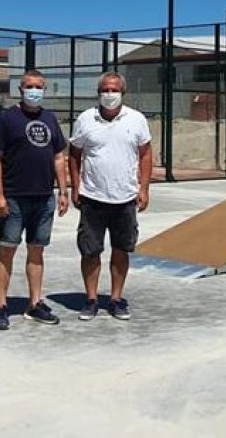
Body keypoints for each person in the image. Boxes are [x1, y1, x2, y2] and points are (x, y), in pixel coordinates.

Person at [0, 69, 70, 330]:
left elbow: (59, 157)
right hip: (14, 198)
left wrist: (63, 191)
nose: (35, 90)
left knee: (37, 251)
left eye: (39, 86)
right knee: (7, 249)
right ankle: (1, 305)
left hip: (44, 198)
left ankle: (35, 303)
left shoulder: (49, 118)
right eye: (29, 86)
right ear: (20, 90)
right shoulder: (8, 118)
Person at [68, 72, 152, 321]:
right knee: (90, 251)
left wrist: (144, 188)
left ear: (123, 93)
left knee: (121, 249)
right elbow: (74, 154)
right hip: (92, 197)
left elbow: (145, 154)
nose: (109, 94)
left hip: (125, 197)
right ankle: (92, 299)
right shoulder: (85, 119)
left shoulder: (136, 119)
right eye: (105, 90)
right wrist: (75, 187)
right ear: (98, 92)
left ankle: (116, 299)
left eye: (114, 90)